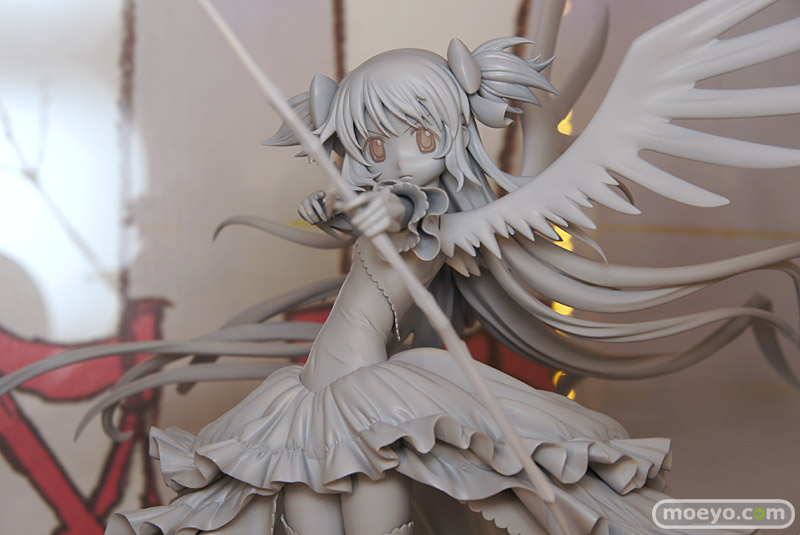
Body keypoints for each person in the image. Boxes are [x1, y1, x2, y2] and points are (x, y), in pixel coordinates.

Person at [2, 2, 799, 533]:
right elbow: (348, 209)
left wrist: (381, 212)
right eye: (372, 143)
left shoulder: (445, 223)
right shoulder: (370, 201)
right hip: (310, 401)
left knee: (385, 514)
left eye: (418, 139)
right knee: (302, 516)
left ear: (451, 134)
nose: (392, 160)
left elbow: (408, 224)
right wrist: (341, 205)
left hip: (374, 401)